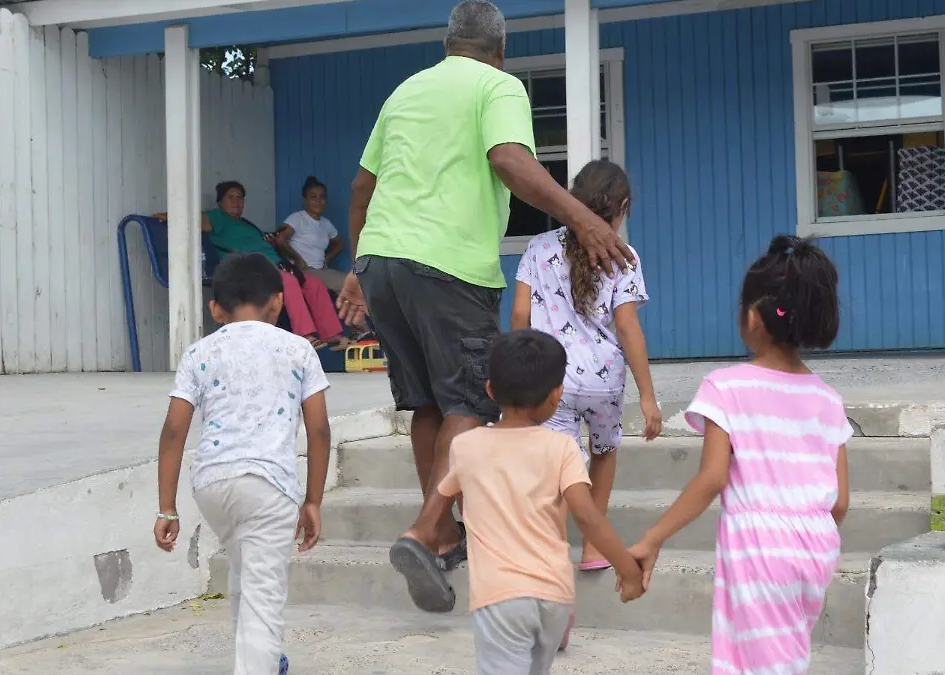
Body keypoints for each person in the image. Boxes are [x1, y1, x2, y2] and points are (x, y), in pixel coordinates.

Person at [335, 0, 635, 612]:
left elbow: (362, 186)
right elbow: (508, 160)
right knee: (471, 400)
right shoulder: (498, 86)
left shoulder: (405, 92)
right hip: (449, 267)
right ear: (500, 50)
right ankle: (426, 529)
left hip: (382, 263)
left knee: (427, 402)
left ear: (450, 43)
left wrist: (359, 268)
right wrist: (583, 221)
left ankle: (440, 531)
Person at [625, 235, 853, 674]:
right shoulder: (828, 399)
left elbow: (712, 478)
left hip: (759, 550)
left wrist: (652, 538)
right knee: (783, 658)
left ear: (752, 317)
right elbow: (840, 502)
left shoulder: (725, 387)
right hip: (816, 549)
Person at [153, 252, 332, 675]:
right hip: (270, 487)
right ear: (278, 302)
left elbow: (174, 430)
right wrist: (313, 501)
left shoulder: (200, 351)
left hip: (212, 484)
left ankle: (267, 661)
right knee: (264, 597)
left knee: (244, 573)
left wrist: (166, 507)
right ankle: (261, 663)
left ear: (215, 309)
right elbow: (320, 430)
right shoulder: (298, 349)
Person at [437, 329, 646, 673]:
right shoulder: (562, 448)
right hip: (554, 597)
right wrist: (628, 569)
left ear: (490, 390)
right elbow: (588, 517)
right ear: (556, 395)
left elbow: (448, 497)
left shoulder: (465, 446)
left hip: (499, 597)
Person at [511, 159, 661, 572]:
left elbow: (520, 316)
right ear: (623, 205)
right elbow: (628, 329)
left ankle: (553, 559)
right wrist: (648, 397)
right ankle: (594, 547)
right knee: (603, 452)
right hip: (604, 383)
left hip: (550, 381)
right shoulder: (623, 256)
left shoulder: (538, 247)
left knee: (559, 469)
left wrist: (519, 374)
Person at [160, 181, 351, 350]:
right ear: (220, 202)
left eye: (240, 198)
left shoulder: (246, 223)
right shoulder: (215, 217)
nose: (236, 201)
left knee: (314, 284)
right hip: (248, 269)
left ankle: (331, 334)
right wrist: (163, 216)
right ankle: (305, 336)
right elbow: (185, 219)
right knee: (289, 282)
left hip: (274, 266)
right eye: (230, 197)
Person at [276, 176, 348, 292]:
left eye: (322, 197)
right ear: (305, 200)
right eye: (313, 197)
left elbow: (339, 243)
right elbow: (280, 238)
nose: (318, 201)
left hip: (321, 270)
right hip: (305, 271)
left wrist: (326, 258)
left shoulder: (326, 223)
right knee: (349, 284)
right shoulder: (297, 218)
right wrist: (297, 259)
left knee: (349, 291)